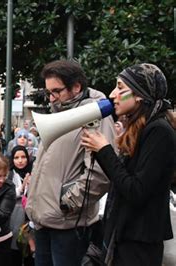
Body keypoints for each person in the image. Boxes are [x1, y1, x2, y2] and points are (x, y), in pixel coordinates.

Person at [81, 63, 175, 265]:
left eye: (121, 88)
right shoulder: (142, 128)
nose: (113, 94)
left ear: (140, 95)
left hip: (139, 242)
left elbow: (135, 190)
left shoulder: (159, 131)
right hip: (126, 235)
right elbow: (122, 179)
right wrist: (99, 151)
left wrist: (104, 151)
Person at [25, 60, 116, 266]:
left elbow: (101, 171)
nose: (51, 98)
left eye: (56, 91)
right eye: (48, 92)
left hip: (68, 224)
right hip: (45, 221)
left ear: (76, 87)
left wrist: (69, 203)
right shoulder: (60, 112)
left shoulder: (94, 115)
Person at [7, 145, 33, 265]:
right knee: (15, 253)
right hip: (14, 219)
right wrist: (21, 188)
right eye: (16, 157)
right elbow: (7, 195)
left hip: (31, 219)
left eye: (23, 157)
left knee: (30, 254)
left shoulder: (34, 172)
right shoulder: (9, 175)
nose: (20, 160)